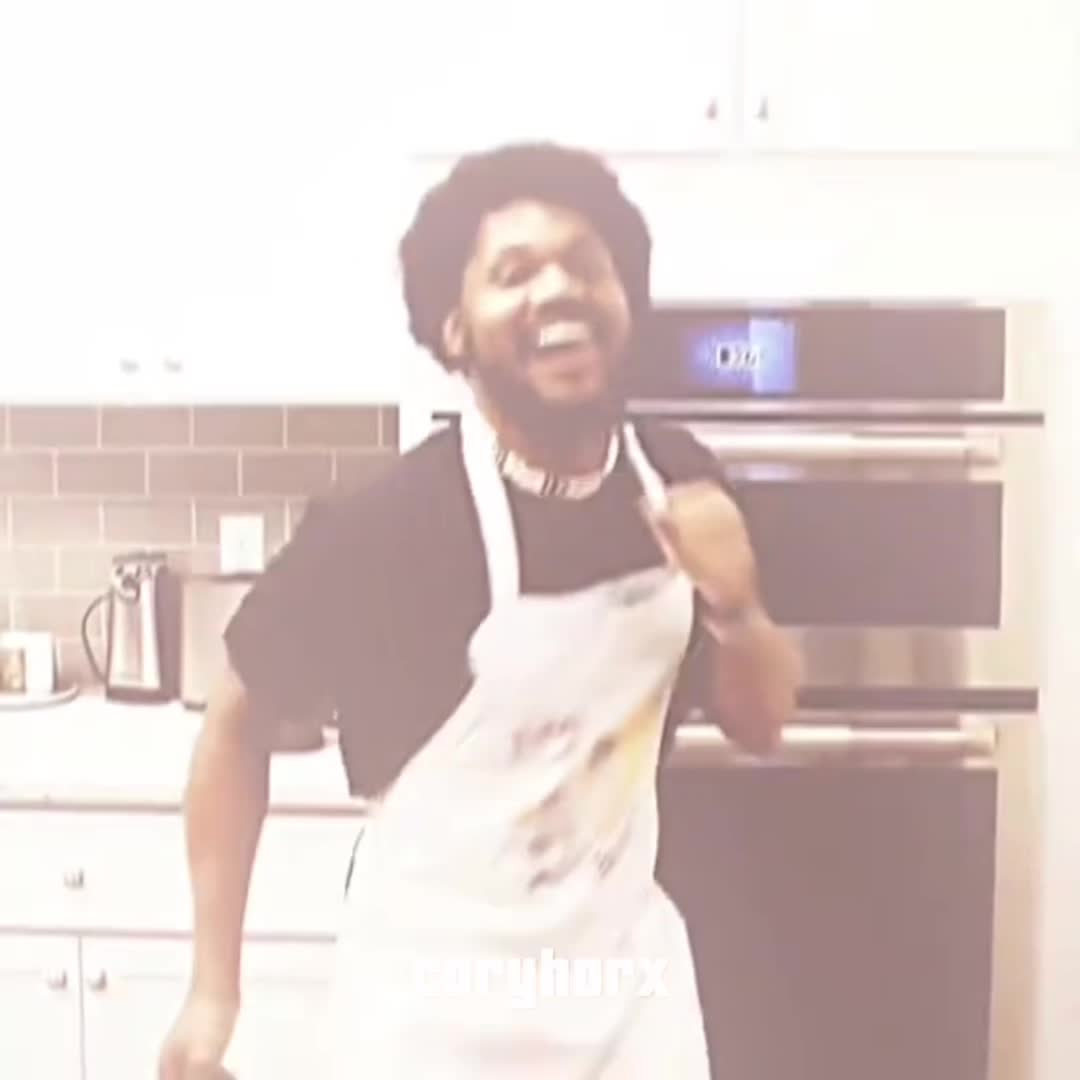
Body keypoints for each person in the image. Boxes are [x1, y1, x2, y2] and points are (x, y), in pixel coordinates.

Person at [158, 141, 801, 1079]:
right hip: (432, 1019)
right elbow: (233, 729)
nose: (559, 289)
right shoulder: (381, 529)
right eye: (515, 273)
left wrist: (738, 610)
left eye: (585, 264)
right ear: (454, 331)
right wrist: (213, 990)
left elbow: (763, 722)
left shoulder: (681, 481)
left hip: (625, 1008)